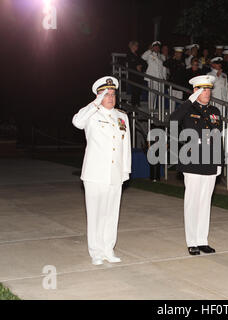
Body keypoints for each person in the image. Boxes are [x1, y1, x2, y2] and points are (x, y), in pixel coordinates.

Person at [72, 76, 131, 265]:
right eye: (106, 94)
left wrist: (126, 171)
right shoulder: (90, 115)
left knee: (111, 213)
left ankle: (108, 249)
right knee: (96, 213)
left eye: (113, 94)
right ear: (98, 96)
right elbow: (77, 122)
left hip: (115, 173)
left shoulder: (121, 116)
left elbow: (126, 146)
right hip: (95, 174)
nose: (111, 97)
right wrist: (95, 104)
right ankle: (96, 251)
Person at [169, 75, 222, 255]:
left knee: (205, 202)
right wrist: (188, 102)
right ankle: (192, 241)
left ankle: (202, 240)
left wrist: (218, 161)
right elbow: (172, 121)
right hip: (191, 158)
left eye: (208, 89)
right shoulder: (187, 109)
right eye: (203, 89)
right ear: (195, 91)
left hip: (209, 160)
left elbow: (217, 137)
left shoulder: (215, 110)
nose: (207, 92)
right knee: (192, 202)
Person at [141, 41, 166, 109]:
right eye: (155, 47)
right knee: (152, 95)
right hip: (152, 78)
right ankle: (151, 110)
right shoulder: (149, 55)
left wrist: (164, 78)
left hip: (160, 78)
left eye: (158, 47)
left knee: (160, 96)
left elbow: (163, 68)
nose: (157, 48)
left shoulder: (162, 56)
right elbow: (143, 57)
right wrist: (150, 50)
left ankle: (156, 109)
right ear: (153, 47)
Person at [126, 41, 147, 107]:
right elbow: (130, 63)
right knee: (135, 90)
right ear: (132, 46)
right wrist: (136, 66)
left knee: (138, 89)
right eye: (136, 45)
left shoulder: (137, 55)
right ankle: (134, 104)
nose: (137, 47)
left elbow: (144, 63)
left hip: (139, 75)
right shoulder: (129, 54)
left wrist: (141, 66)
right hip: (133, 75)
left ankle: (137, 103)